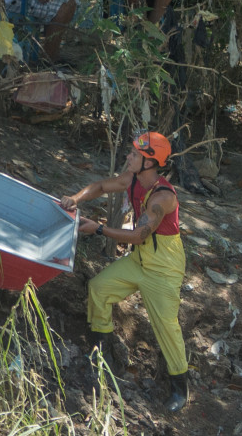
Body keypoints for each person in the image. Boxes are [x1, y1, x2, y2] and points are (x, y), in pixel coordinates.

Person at [59, 130, 190, 412]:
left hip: (163, 268)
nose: (128, 157)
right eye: (131, 153)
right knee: (99, 289)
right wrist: (76, 198)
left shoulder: (163, 198)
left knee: (166, 326)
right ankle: (99, 354)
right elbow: (102, 187)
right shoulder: (132, 179)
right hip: (140, 260)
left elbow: (140, 234)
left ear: (150, 163)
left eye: (135, 155)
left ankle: (180, 388)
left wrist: (100, 230)